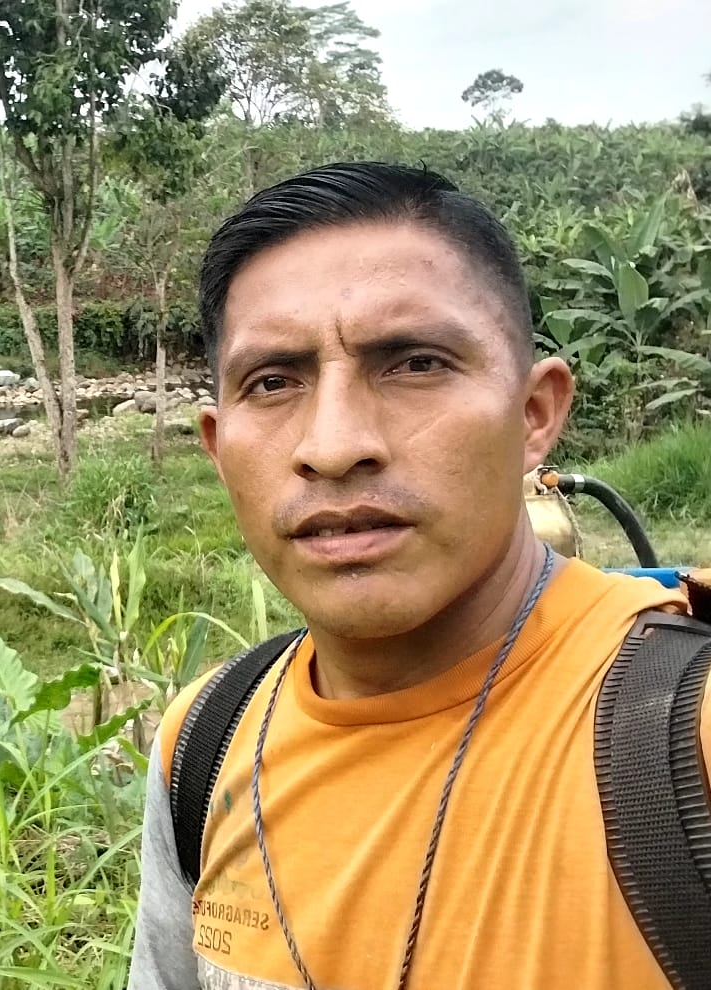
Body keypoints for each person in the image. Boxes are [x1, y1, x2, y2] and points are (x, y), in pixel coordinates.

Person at [126, 161, 706, 989]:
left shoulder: (684, 735)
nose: (333, 446)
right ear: (220, 450)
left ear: (534, 414)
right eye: (274, 382)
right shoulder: (204, 745)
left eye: (416, 364)